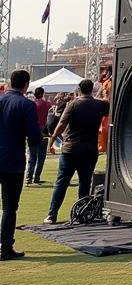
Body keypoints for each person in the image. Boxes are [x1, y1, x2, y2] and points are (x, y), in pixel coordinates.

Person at [43, 79, 109, 224]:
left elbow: (62, 123)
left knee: (62, 182)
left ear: (79, 89)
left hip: (71, 149)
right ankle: (82, 215)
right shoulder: (100, 105)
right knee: (84, 183)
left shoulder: (73, 104)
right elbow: (110, 105)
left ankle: (52, 214)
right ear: (92, 89)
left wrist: (52, 139)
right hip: (90, 150)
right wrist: (104, 93)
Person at [0, 70, 43, 259]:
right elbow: (33, 137)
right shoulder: (26, 105)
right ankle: (5, 247)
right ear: (26, 84)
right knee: (9, 207)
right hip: (13, 161)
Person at [25, 86, 52, 185]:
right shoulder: (47, 104)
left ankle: (29, 177)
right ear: (42, 93)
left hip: (33, 131)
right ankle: (37, 177)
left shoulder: (31, 104)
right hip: (44, 131)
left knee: (32, 157)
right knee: (41, 157)